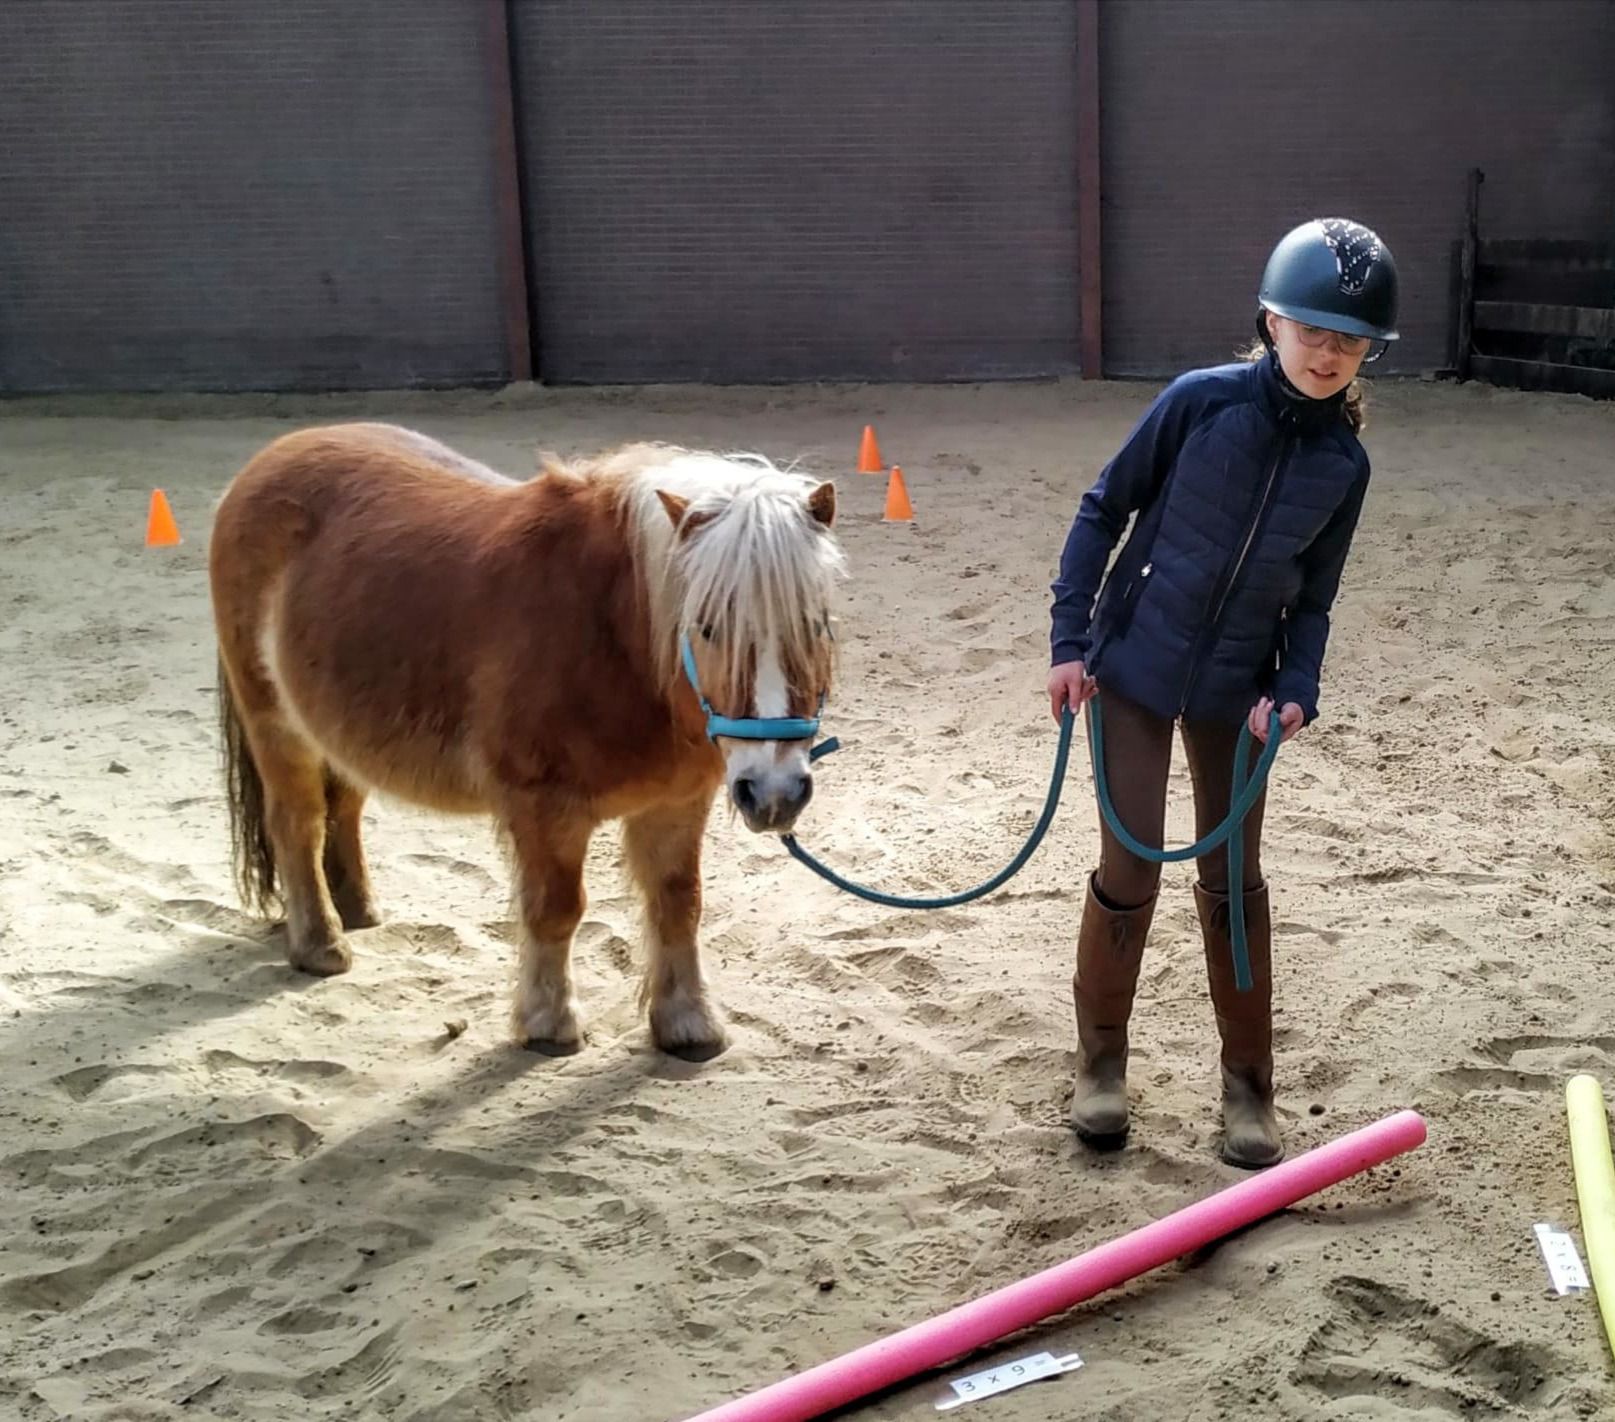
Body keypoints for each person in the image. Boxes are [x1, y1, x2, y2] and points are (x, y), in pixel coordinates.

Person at [1046, 218, 1399, 1168]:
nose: (1328, 353)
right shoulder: (1197, 404)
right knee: (1131, 867)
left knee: (1232, 881)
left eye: (1349, 339)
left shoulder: (1343, 466)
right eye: (1312, 331)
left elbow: (1315, 598)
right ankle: (1101, 1068)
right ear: (1272, 322)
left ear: (1367, 350)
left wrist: (1295, 686)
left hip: (1235, 691)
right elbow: (1102, 508)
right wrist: (1068, 640)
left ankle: (1248, 1088)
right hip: (1130, 669)